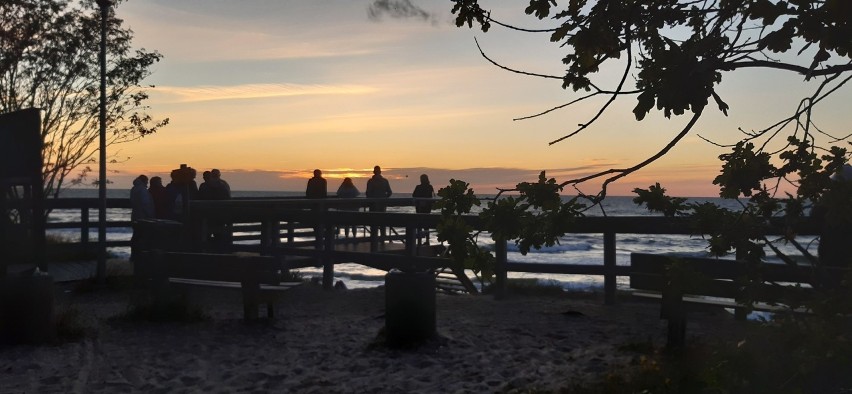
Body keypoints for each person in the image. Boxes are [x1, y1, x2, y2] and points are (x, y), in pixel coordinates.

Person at [130, 174, 154, 262]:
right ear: (144, 181)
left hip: (135, 215)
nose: (147, 183)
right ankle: (141, 256)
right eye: (147, 181)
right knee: (142, 236)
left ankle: (134, 255)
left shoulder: (134, 189)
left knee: (136, 235)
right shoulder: (143, 190)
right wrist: (150, 214)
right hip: (143, 216)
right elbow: (146, 204)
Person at [366, 165, 392, 239]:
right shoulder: (385, 181)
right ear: (380, 172)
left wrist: (370, 199)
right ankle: (382, 237)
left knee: (373, 222)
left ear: (374, 172)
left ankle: (374, 238)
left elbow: (368, 193)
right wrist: (385, 198)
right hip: (382, 204)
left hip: (373, 204)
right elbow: (389, 192)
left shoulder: (370, 181)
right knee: (382, 221)